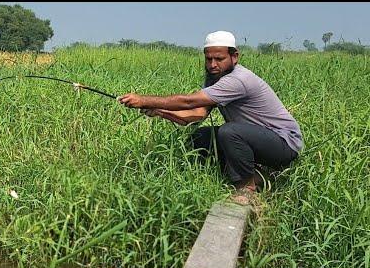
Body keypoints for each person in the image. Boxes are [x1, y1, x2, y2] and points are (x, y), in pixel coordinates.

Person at [117, 30, 303, 205]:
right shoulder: (216, 77)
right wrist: (158, 110)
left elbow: (189, 102)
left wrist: (144, 99)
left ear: (235, 56)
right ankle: (256, 176)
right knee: (201, 137)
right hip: (259, 139)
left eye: (219, 59)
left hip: (284, 145)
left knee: (230, 132)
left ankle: (246, 189)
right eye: (209, 59)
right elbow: (196, 114)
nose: (213, 65)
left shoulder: (237, 80)